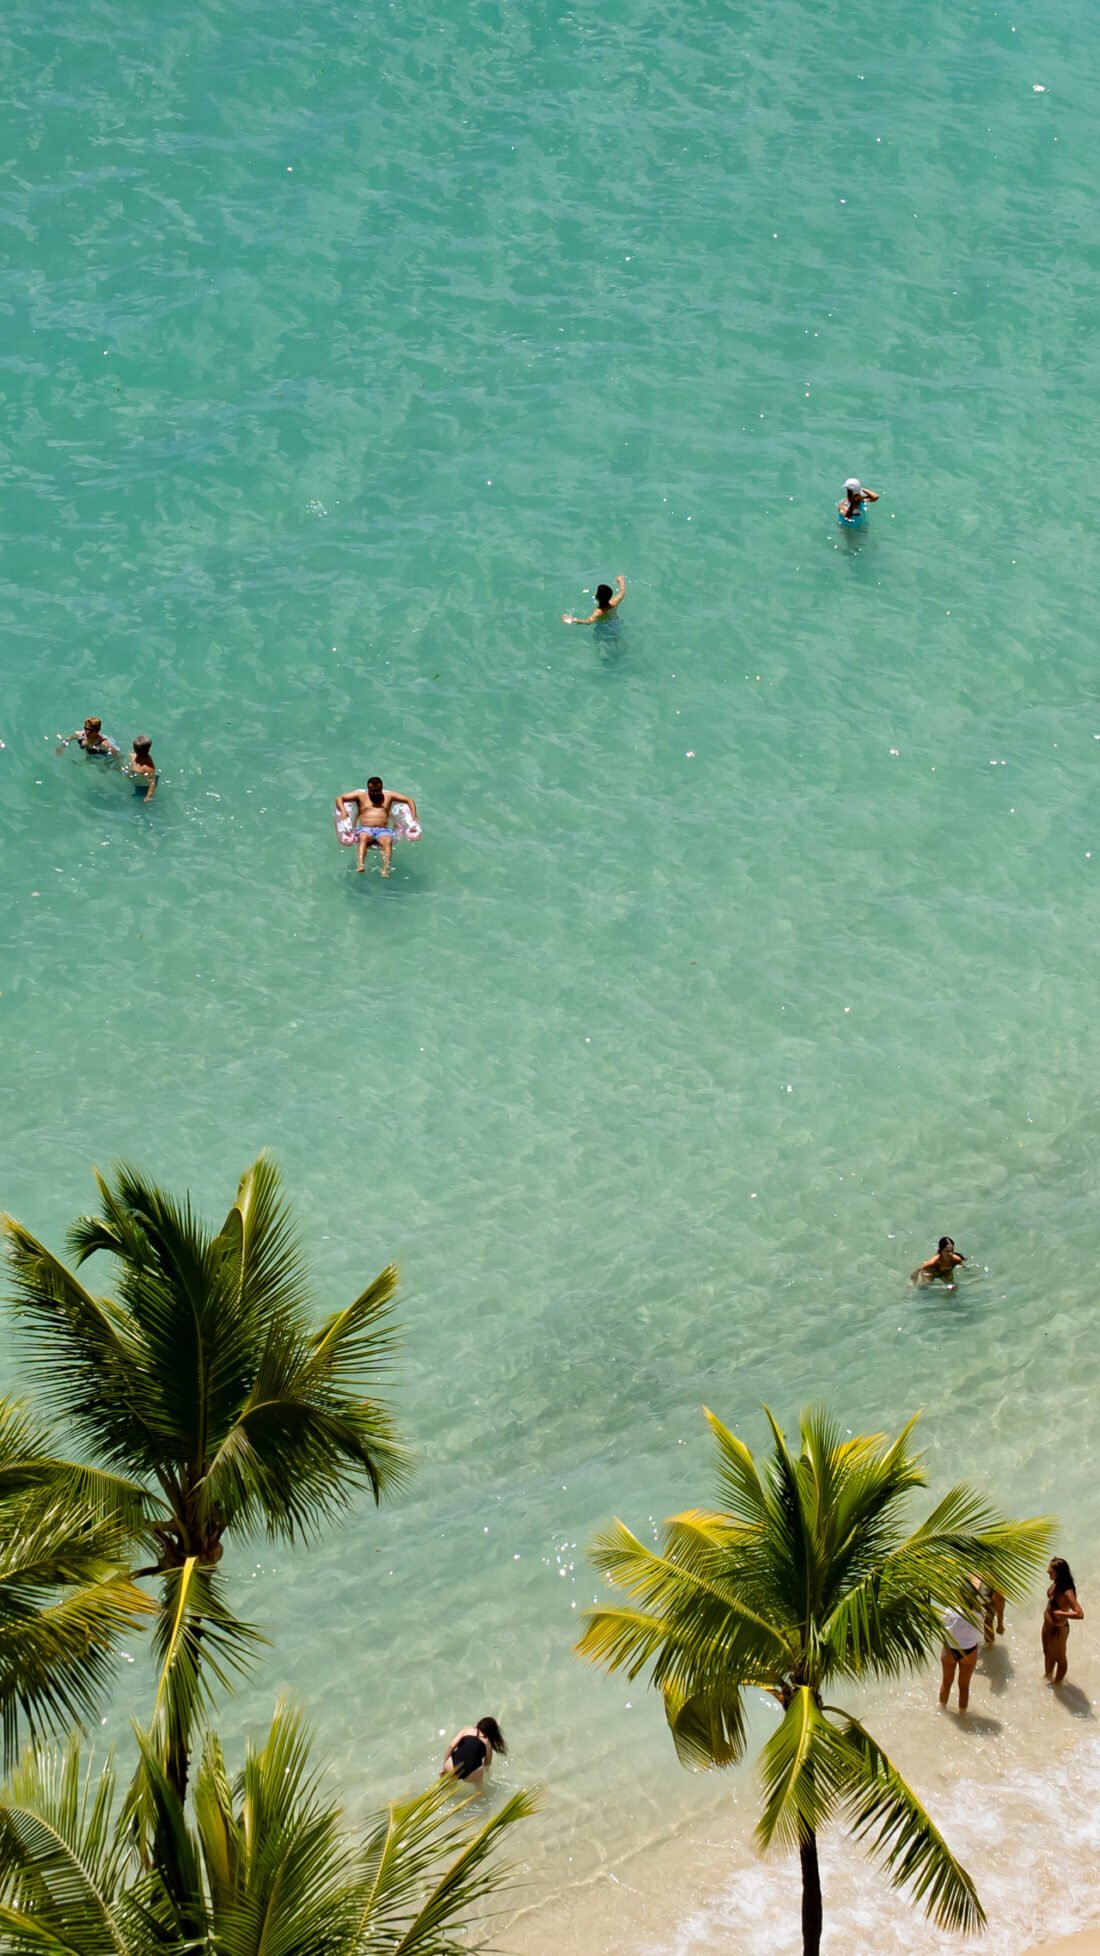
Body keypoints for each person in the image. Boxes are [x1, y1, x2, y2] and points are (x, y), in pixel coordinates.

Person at [334, 776, 418, 876]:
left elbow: (409, 800)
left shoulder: (388, 796)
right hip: (365, 829)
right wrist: (343, 811)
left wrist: (414, 814)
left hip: (382, 830)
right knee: (363, 838)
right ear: (368, 789)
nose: (375, 793)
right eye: (372, 791)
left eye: (378, 790)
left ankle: (385, 869)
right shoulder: (361, 796)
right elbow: (339, 798)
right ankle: (360, 865)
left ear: (381, 788)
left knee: (387, 841)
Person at [939, 1589, 982, 1712]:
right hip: (969, 1651)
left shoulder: (951, 1611)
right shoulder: (979, 1615)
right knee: (964, 1686)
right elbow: (979, 1635)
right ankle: (963, 1714)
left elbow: (944, 1626)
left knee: (946, 1682)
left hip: (950, 1650)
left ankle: (941, 1709)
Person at [1043, 1557, 1084, 1685]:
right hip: (1048, 1624)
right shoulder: (1057, 1582)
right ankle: (1047, 1676)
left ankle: (1057, 1684)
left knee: (1060, 1659)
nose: (1047, 1571)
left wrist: (1061, 1613)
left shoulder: (1067, 1591)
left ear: (1058, 1572)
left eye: (1050, 1570)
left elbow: (1080, 1614)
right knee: (1047, 1653)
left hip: (1058, 1629)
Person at [439, 1717, 507, 1789]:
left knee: (449, 1788)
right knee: (480, 1793)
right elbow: (487, 1765)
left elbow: (451, 1746)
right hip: (473, 1773)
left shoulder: (467, 1730)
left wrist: (444, 1766)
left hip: (452, 1766)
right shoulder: (488, 1744)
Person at [125, 736, 157, 801]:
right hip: (138, 780)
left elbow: (152, 783)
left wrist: (148, 796)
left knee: (138, 801)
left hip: (143, 786)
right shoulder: (136, 755)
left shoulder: (147, 768)